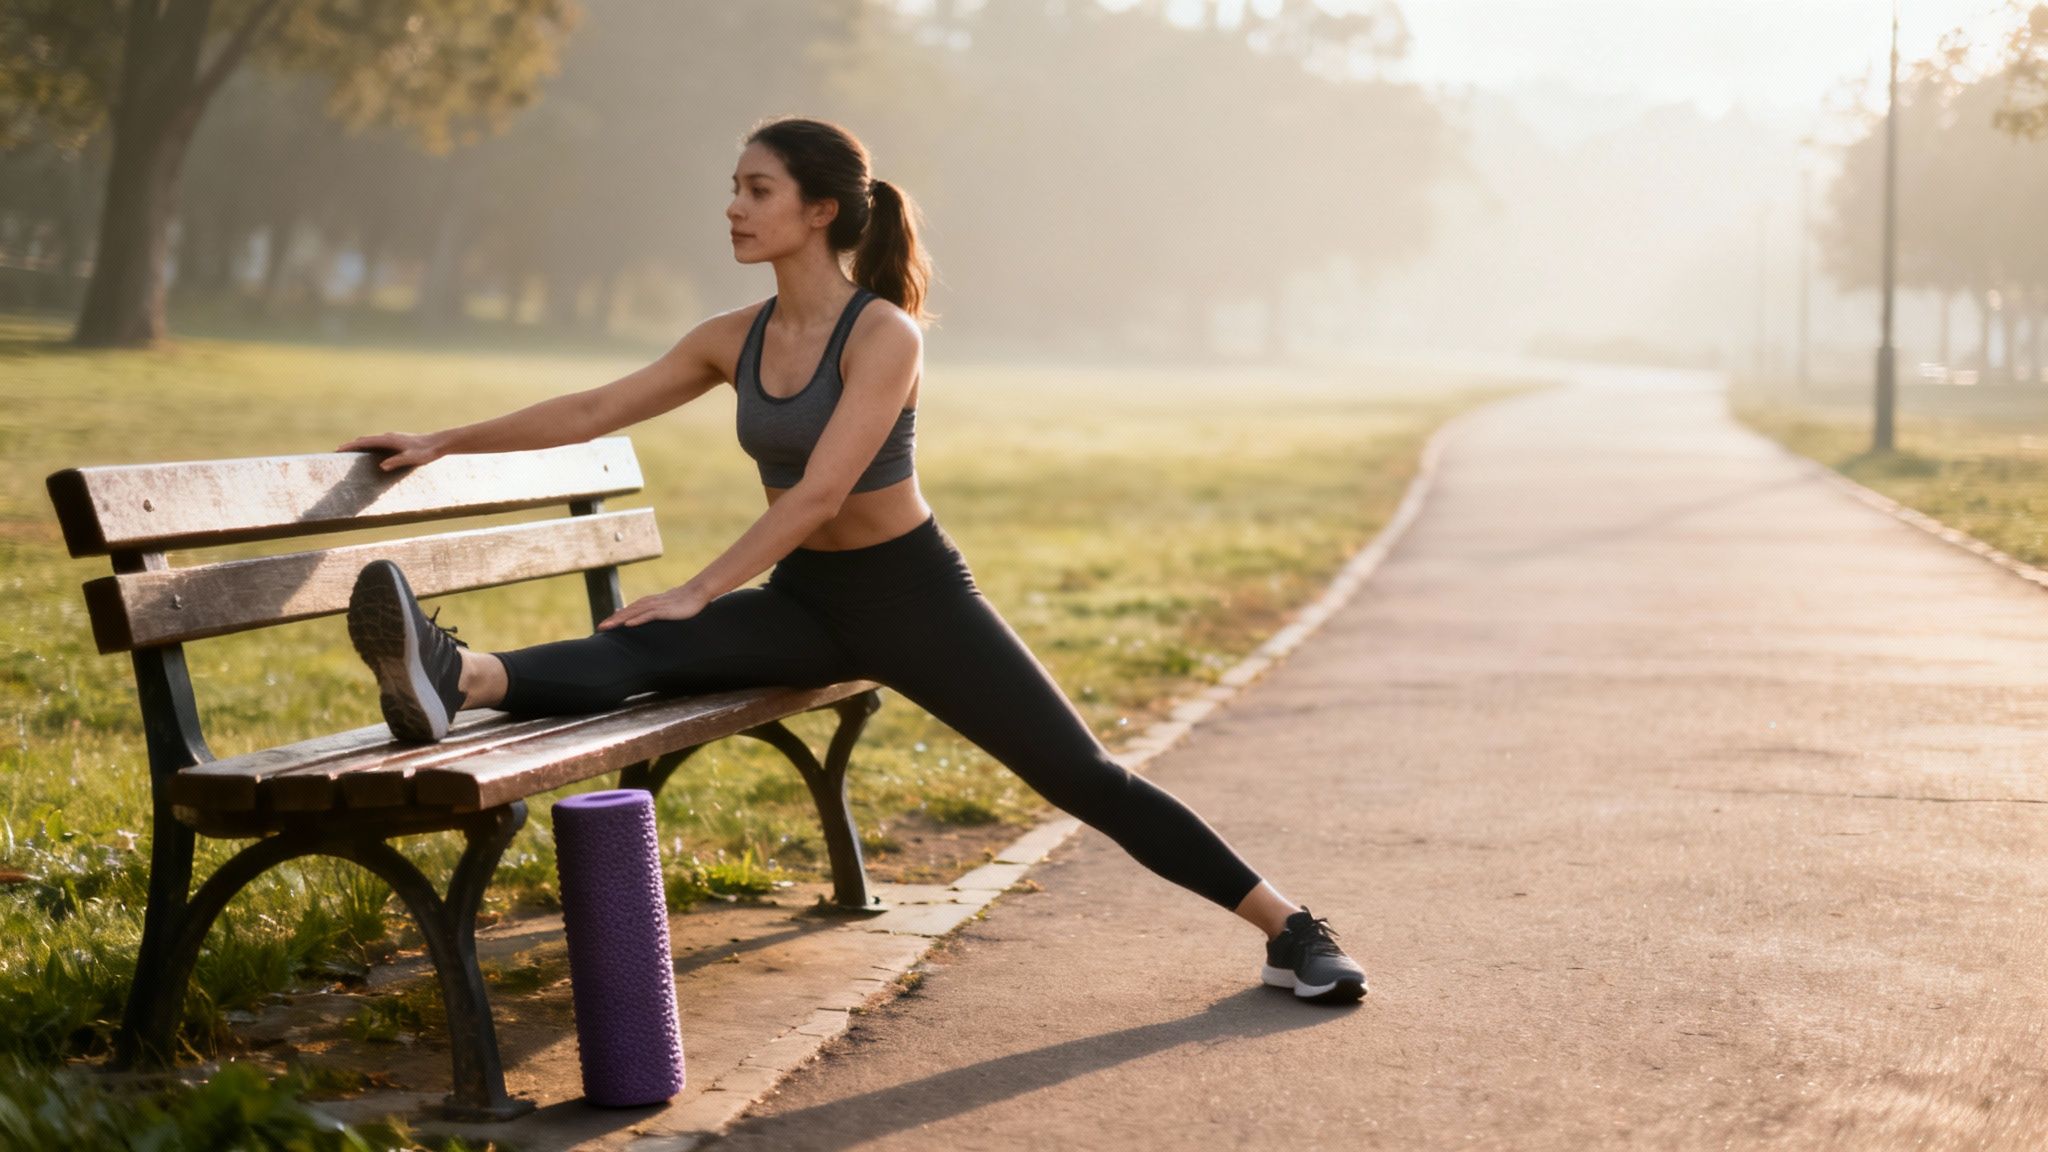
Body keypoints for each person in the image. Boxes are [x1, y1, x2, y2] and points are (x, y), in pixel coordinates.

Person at [337, 116, 1366, 1004]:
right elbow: (595, 408)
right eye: (732, 190)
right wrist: (439, 443)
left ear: (820, 209)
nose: (733, 209)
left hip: (913, 595)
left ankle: (1291, 931)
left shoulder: (885, 336)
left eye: (756, 190)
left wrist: (700, 586)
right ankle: (455, 674)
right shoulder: (730, 337)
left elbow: (826, 489)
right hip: (807, 601)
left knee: (1077, 772)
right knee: (639, 647)